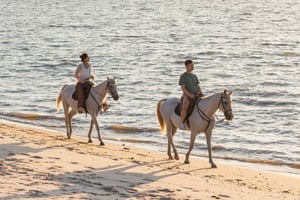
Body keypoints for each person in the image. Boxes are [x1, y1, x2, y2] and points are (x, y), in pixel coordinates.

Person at [178, 59, 205, 130]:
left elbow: (198, 86)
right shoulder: (183, 76)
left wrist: (201, 93)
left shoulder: (194, 76)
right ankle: (182, 123)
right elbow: (183, 88)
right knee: (185, 106)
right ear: (186, 66)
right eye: (191, 65)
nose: (193, 67)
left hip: (196, 94)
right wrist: (190, 95)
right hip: (187, 95)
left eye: (193, 65)